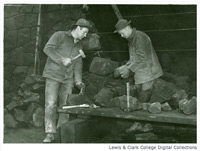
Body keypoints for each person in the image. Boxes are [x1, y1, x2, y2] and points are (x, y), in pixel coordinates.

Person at [42, 18, 91, 143]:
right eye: (84, 32)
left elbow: (78, 64)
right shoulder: (59, 35)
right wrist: (62, 59)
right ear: (78, 28)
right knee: (51, 104)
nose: (85, 35)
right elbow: (47, 49)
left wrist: (78, 81)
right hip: (53, 75)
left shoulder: (79, 44)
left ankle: (60, 132)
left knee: (66, 106)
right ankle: (49, 133)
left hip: (68, 79)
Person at [114, 19, 163, 103]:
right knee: (140, 98)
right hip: (141, 73)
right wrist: (125, 66)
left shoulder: (139, 37)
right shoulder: (131, 40)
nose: (121, 36)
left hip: (149, 72)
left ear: (126, 28)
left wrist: (128, 70)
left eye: (122, 33)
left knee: (143, 99)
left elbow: (142, 59)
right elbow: (133, 58)